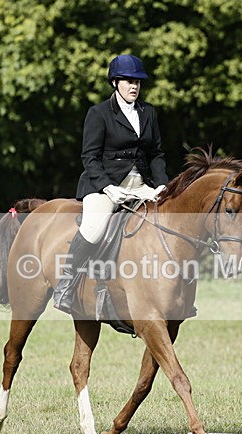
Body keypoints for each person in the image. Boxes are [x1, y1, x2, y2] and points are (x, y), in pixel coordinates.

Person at [53, 54, 169, 313]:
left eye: (138, 82)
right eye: (129, 81)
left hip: (141, 183)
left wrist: (162, 184)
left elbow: (156, 154)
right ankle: (67, 284)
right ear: (115, 82)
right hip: (105, 184)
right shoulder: (99, 113)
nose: (134, 86)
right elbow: (89, 157)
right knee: (95, 228)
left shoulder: (148, 112)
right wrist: (108, 187)